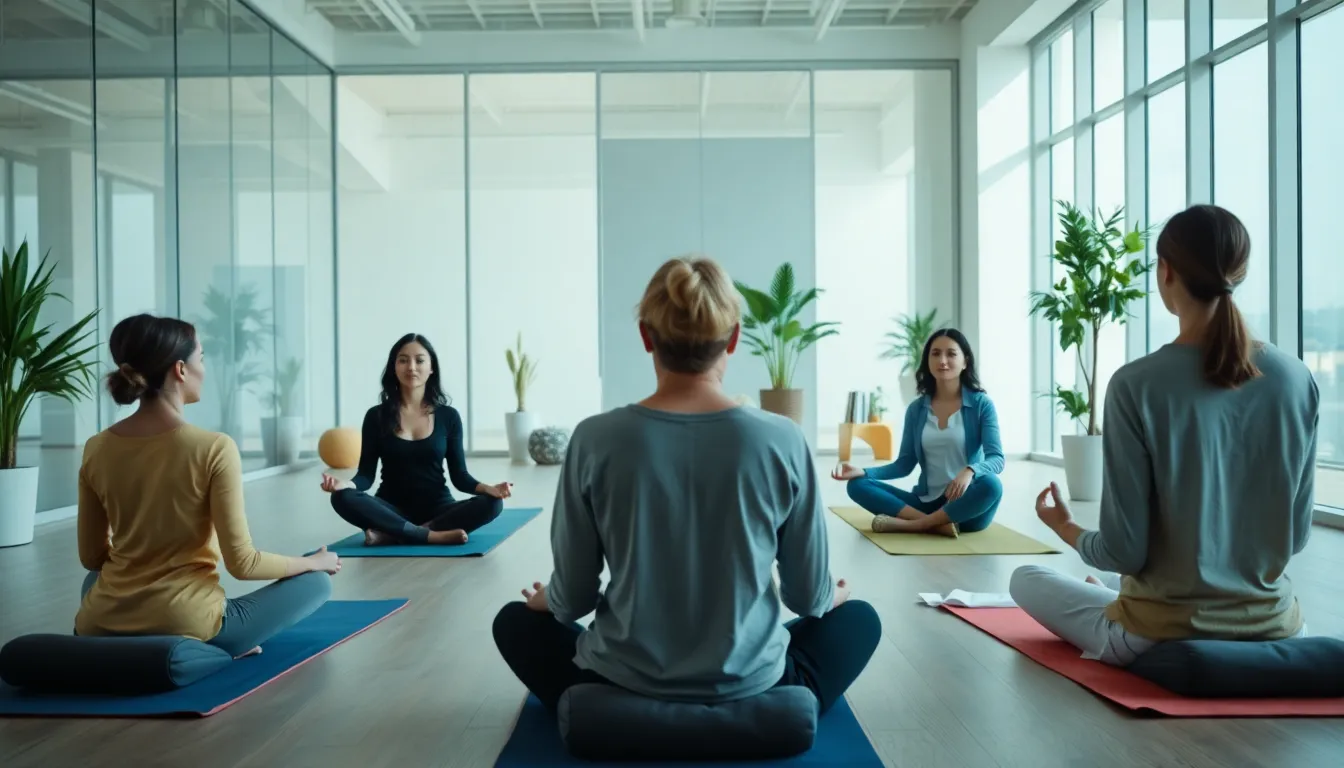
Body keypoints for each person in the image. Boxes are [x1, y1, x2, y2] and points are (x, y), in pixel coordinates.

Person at [492, 255, 881, 715]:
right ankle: (753, 715)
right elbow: (806, 597)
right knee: (858, 619)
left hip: (619, 680)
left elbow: (573, 598)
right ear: (734, 338)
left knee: (515, 623)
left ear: (645, 336)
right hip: (752, 682)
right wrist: (830, 595)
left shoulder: (594, 438)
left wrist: (548, 599)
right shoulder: (783, 438)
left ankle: (625, 715)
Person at [1010, 204, 1318, 667]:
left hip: (1157, 636)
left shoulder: (1136, 384)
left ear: (1166, 270)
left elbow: (1122, 551)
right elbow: (1293, 538)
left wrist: (1065, 527)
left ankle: (1115, 598)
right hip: (1279, 629)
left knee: (1025, 578)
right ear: (1240, 271)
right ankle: (1116, 595)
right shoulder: (1296, 378)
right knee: (1117, 584)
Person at [75, 314, 338, 658]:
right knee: (317, 583)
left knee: (95, 582)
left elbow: (92, 557)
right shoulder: (214, 447)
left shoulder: (96, 447)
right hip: (188, 624)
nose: (205, 367)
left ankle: (130, 620)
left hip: (100, 624)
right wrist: (312, 563)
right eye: (202, 357)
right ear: (180, 370)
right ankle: (219, 645)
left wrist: (139, 571)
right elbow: (243, 564)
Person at [321, 333, 510, 546]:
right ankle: (430, 535)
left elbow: (460, 476)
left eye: (419, 360)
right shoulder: (376, 416)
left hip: (439, 508)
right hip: (390, 509)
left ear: (431, 368)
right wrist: (345, 484)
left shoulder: (449, 417)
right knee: (341, 497)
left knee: (494, 504)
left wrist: (489, 489)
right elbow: (365, 476)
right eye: (403, 360)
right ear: (394, 367)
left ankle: (396, 534)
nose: (411, 367)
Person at [832, 328, 1005, 538]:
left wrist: (969, 471)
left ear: (965, 361)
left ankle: (915, 525)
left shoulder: (981, 405)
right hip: (925, 503)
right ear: (927, 361)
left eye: (951, 354)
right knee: (857, 485)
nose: (943, 360)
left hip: (965, 509)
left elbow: (997, 459)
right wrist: (865, 472)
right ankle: (931, 523)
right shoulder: (916, 410)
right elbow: (904, 465)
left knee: (992, 484)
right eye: (935, 353)